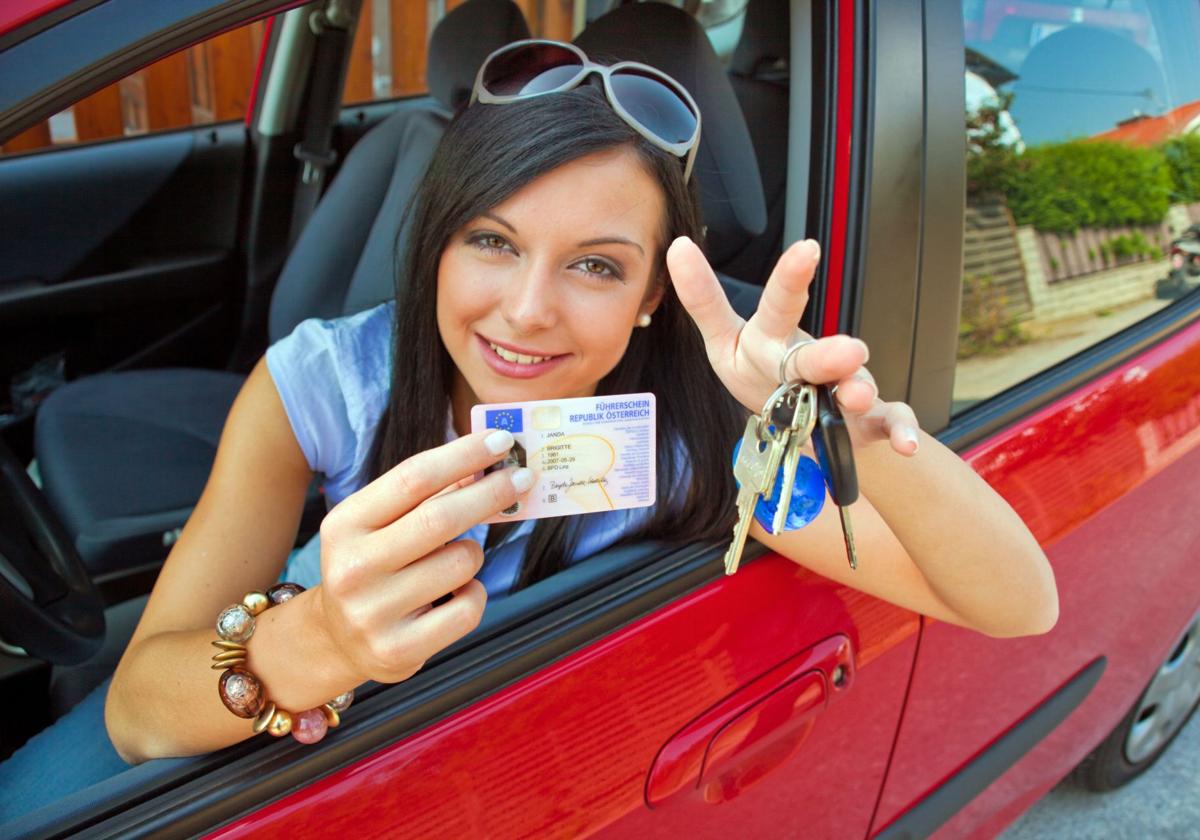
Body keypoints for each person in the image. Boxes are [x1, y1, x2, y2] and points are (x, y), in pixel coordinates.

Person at [2, 39, 1058, 816]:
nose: (526, 310)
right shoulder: (324, 384)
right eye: (492, 242)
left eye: (597, 265)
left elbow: (1018, 604)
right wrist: (321, 636)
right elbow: (141, 706)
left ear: (652, 295)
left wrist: (854, 435)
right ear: (436, 248)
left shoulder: (696, 442)